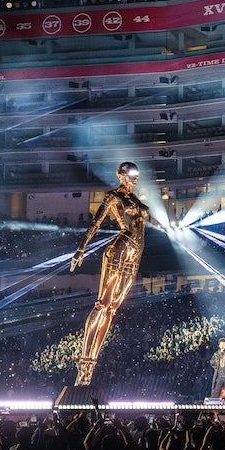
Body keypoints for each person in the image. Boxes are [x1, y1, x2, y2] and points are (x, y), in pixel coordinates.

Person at [68, 161, 150, 391]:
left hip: (136, 253)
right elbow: (96, 222)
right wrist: (81, 249)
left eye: (137, 172)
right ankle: (84, 363)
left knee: (112, 309)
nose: (135, 176)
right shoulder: (114, 196)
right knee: (102, 304)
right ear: (121, 175)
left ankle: (90, 366)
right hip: (121, 249)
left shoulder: (136, 199)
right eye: (131, 173)